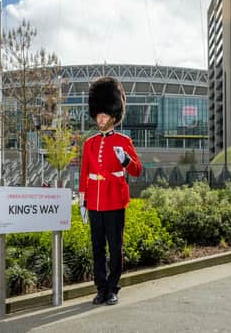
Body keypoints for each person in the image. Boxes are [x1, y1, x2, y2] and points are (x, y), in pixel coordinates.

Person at [78, 76, 142, 306]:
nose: (100, 118)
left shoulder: (124, 141)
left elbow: (137, 171)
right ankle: (101, 288)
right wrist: (82, 201)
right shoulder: (89, 143)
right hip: (94, 202)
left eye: (104, 115)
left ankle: (113, 288)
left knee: (115, 248)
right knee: (97, 248)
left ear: (114, 116)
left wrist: (125, 161)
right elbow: (84, 174)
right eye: (98, 114)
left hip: (114, 200)